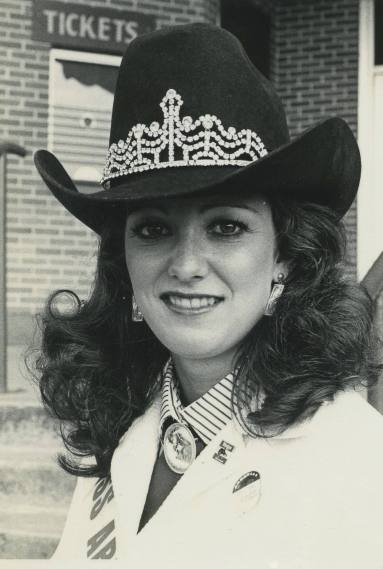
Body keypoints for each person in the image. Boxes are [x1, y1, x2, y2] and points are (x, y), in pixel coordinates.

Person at [33, 23, 383, 568]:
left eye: (227, 227)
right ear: (123, 268)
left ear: (285, 259)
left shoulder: (357, 461)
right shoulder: (127, 420)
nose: (187, 265)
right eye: (152, 229)